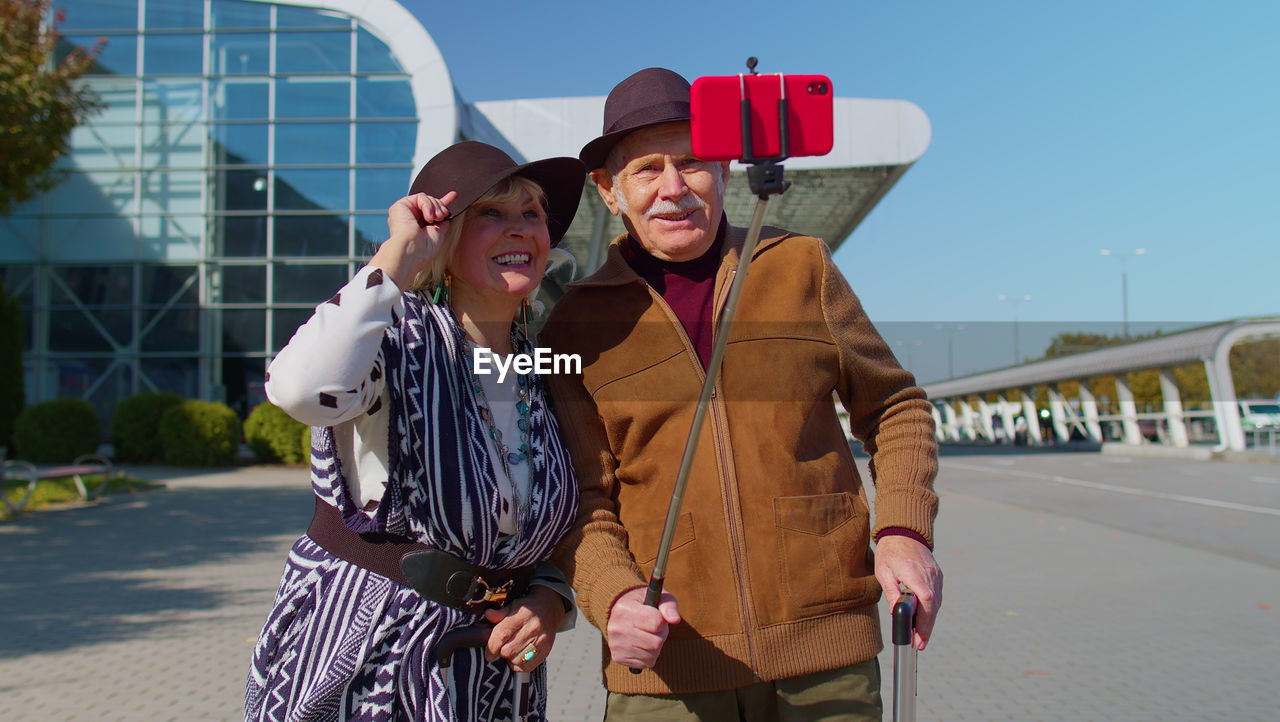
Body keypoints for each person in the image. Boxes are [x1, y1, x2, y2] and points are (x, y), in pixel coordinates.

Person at [540, 68, 943, 720]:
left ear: (725, 169)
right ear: (610, 191)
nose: (674, 188)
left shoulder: (801, 268)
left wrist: (904, 530)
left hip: (828, 660)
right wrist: (612, 596)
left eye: (694, 162)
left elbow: (896, 406)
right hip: (667, 667)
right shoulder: (575, 326)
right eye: (647, 169)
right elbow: (582, 499)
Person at [244, 141, 585, 721]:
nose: (520, 231)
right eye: (491, 214)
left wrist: (551, 601)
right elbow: (299, 389)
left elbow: (538, 524)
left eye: (531, 214)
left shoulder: (539, 364)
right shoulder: (392, 338)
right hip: (367, 653)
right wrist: (399, 255)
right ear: (444, 235)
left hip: (489, 675)